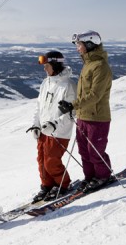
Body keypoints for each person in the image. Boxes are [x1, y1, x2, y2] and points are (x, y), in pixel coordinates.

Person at [58, 30, 113, 191]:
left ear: (89, 44)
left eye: (79, 45)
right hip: (83, 116)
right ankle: (90, 177)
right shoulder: (88, 64)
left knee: (95, 151)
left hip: (97, 117)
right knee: (84, 151)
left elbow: (95, 95)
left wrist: (73, 105)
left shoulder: (100, 66)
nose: (77, 48)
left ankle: (102, 176)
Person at [26, 51, 77, 203]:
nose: (44, 69)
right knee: (41, 161)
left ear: (55, 65)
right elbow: (39, 107)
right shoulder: (45, 83)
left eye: (46, 65)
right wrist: (36, 125)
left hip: (59, 132)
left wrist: (54, 125)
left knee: (51, 161)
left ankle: (62, 184)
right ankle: (47, 186)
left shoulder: (68, 85)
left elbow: (71, 112)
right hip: (43, 130)